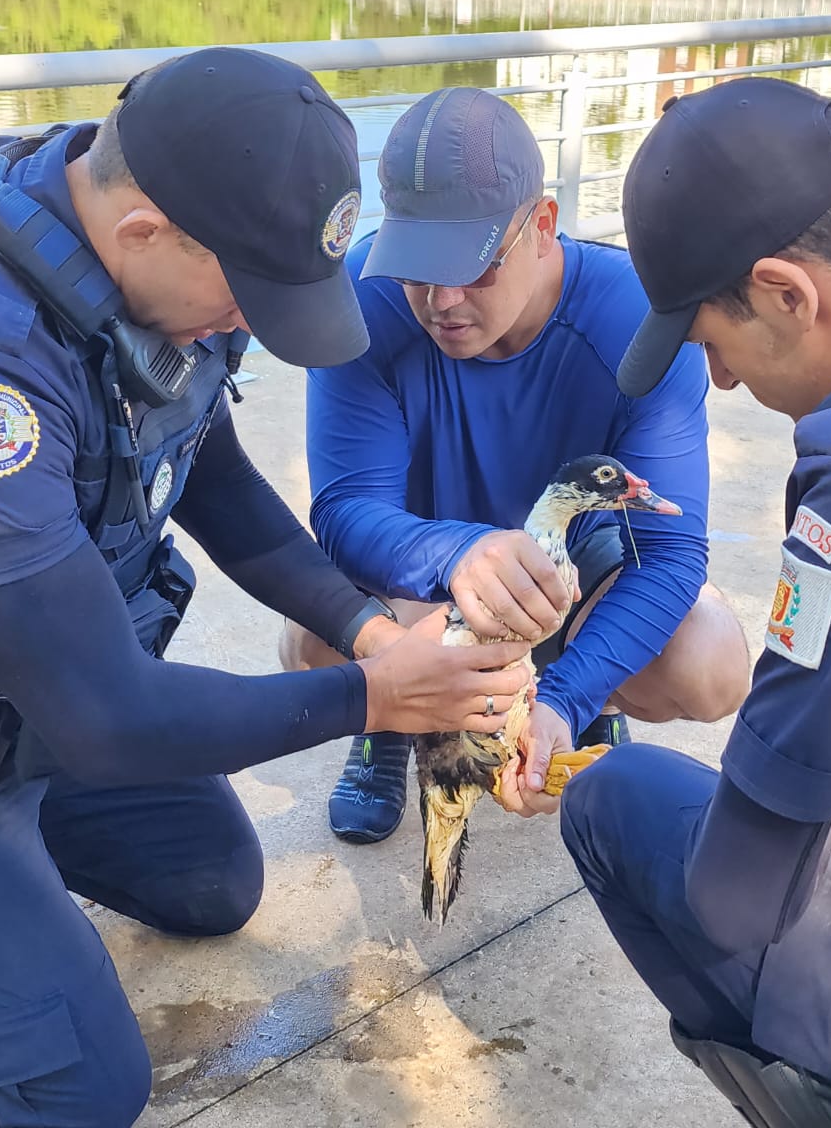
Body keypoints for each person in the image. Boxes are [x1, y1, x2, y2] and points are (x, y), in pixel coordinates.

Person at [0, 48, 534, 1128]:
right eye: (244, 297)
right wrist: (377, 699)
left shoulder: (129, 269)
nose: (244, 328)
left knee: (213, 883)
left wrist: (368, 630)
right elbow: (105, 719)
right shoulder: (0, 375)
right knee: (84, 1091)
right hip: (51, 715)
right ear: (144, 231)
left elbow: (216, 480)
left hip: (29, 702)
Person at [560, 76, 831, 1128]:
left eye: (712, 342)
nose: (719, 380)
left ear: (786, 291)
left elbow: (741, 893)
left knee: (622, 799)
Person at [279, 86, 749, 844]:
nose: (443, 300)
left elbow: (671, 552)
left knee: (712, 660)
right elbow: (343, 509)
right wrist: (461, 551)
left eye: (475, 267)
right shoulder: (365, 301)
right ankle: (392, 721)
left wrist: (566, 692)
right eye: (417, 269)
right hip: (425, 589)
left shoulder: (634, 320)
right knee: (309, 643)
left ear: (543, 227)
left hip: (573, 584)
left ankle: (588, 701)